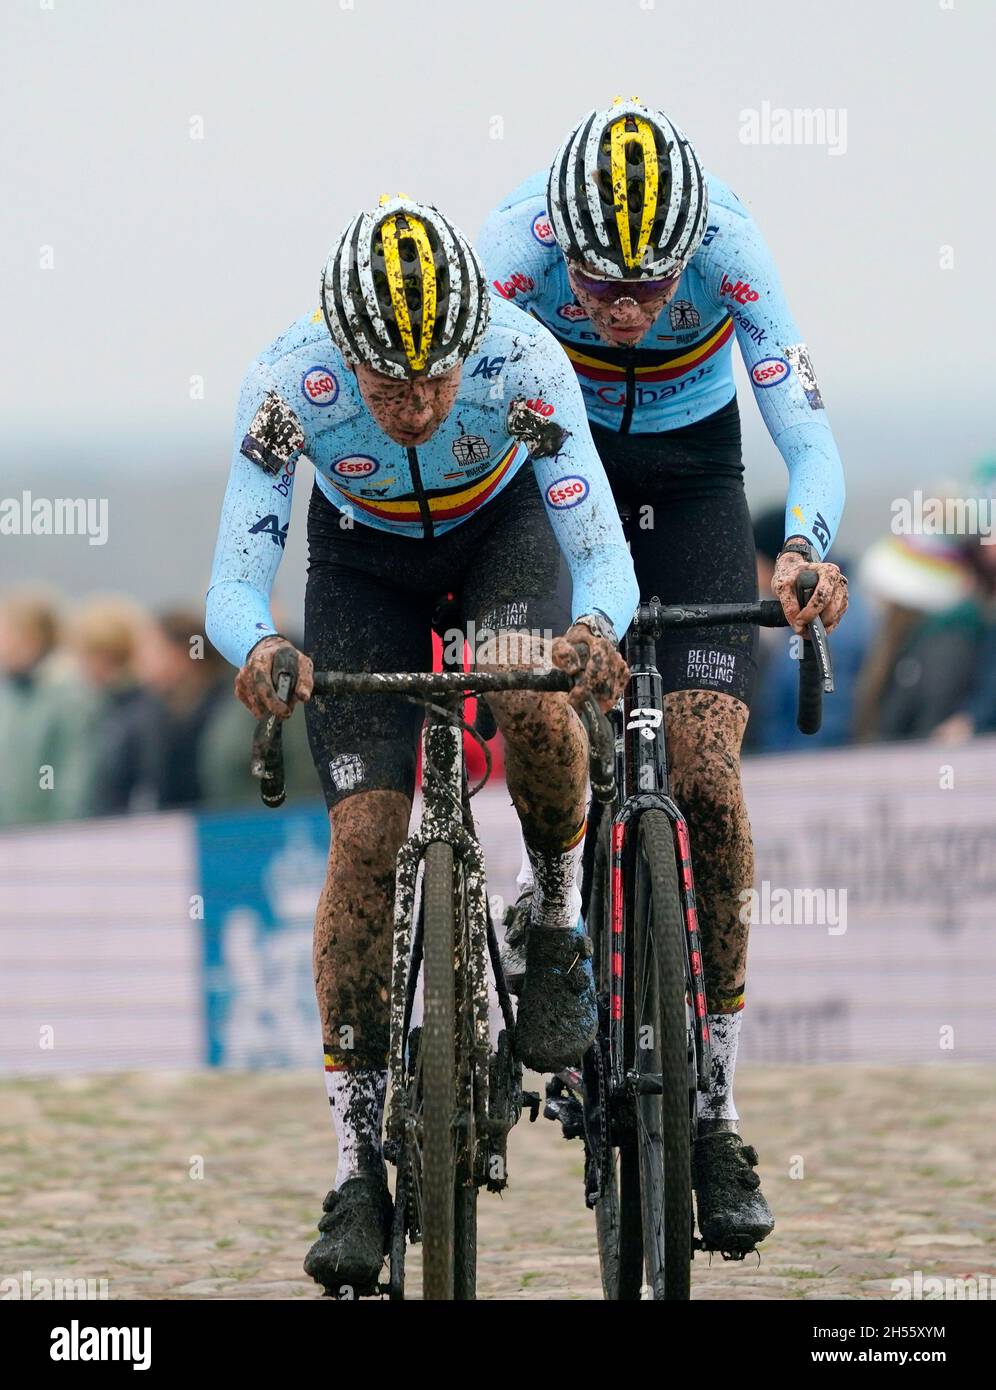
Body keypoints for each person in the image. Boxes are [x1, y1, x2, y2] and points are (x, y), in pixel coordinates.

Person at [205, 195, 638, 1294]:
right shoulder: (284, 383)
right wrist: (259, 646)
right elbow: (233, 580)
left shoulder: (525, 360)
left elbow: (600, 548)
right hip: (361, 573)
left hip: (504, 543)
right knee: (363, 838)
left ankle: (555, 919)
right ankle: (355, 1169)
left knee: (535, 695)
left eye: (436, 380)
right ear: (342, 353)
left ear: (472, 346)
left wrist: (592, 631)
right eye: (387, 384)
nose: (412, 405)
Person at [477, 98, 850, 1254]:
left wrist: (806, 545)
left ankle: (718, 1109)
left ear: (690, 249)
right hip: (552, 467)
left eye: (653, 286)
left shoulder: (733, 246)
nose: (630, 310)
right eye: (602, 289)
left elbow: (807, 427)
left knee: (709, 779)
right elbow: (468, 429)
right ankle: (561, 909)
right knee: (541, 697)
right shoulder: (512, 254)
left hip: (692, 477)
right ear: (562, 252)